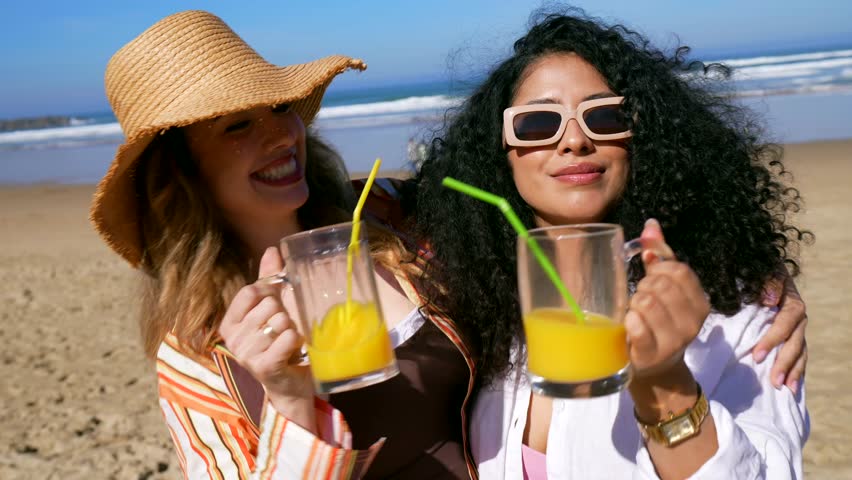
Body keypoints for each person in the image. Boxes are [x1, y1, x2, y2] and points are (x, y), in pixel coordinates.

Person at [406, 8, 812, 479]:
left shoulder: (736, 312)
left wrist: (665, 383)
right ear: (498, 155)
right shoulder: (481, 309)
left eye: (604, 116)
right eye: (538, 124)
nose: (575, 140)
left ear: (642, 136)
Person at [90, 10, 476, 479]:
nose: (280, 135)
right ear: (185, 173)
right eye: (237, 126)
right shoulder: (195, 352)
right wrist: (290, 400)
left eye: (279, 108)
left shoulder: (385, 210)